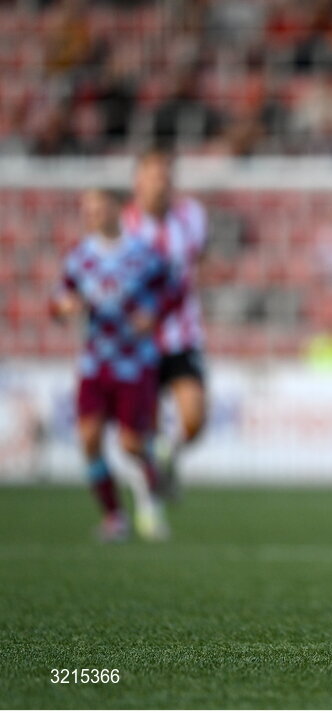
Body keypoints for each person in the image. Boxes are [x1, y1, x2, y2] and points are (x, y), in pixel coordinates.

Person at [51, 188, 180, 541]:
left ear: (117, 209)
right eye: (87, 208)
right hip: (95, 363)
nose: (92, 213)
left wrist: (153, 314)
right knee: (89, 438)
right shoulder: (79, 257)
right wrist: (64, 308)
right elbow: (58, 300)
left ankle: (154, 483)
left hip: (134, 364)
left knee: (130, 444)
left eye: (98, 207)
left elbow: (174, 290)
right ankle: (114, 517)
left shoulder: (142, 254)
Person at [122, 148, 208, 497]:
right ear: (138, 181)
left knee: (193, 420)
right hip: (138, 343)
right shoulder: (125, 224)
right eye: (155, 175)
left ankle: (164, 457)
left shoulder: (191, 216)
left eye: (166, 175)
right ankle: (150, 490)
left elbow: (191, 267)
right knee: (139, 433)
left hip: (182, 337)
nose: (162, 183)